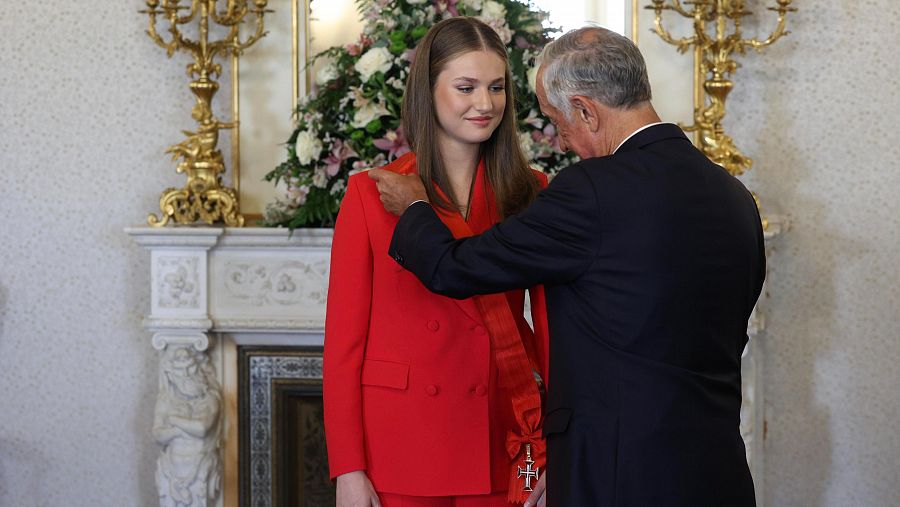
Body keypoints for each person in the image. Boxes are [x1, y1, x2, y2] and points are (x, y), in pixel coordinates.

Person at [369, 26, 765, 507]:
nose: (565, 141)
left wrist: (415, 209)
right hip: (717, 470)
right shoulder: (734, 195)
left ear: (584, 110)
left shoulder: (592, 191)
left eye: (559, 124)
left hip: (617, 474)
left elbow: (456, 269)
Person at [323, 17, 552, 507]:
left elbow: (557, 337)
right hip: (399, 445)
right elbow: (344, 343)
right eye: (466, 87)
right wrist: (348, 468)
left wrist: (560, 448)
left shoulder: (532, 193)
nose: (485, 104)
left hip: (501, 436)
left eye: (496, 88)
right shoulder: (370, 193)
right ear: (428, 92)